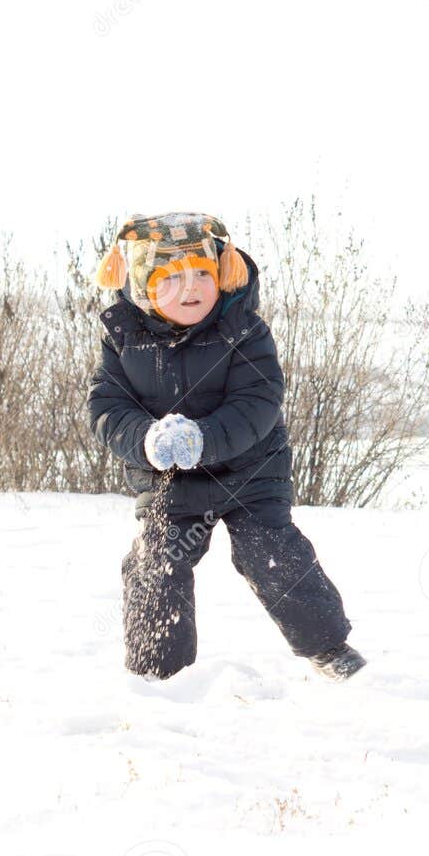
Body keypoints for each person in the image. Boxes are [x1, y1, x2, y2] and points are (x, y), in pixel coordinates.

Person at [86, 212, 366, 682]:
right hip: (171, 480)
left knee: (271, 551)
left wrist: (204, 439)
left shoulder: (245, 331)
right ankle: (159, 675)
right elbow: (107, 408)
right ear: (141, 287)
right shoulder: (123, 340)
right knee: (156, 561)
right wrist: (146, 439)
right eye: (170, 278)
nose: (191, 287)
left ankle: (329, 649)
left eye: (202, 273)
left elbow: (258, 403)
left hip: (250, 474)